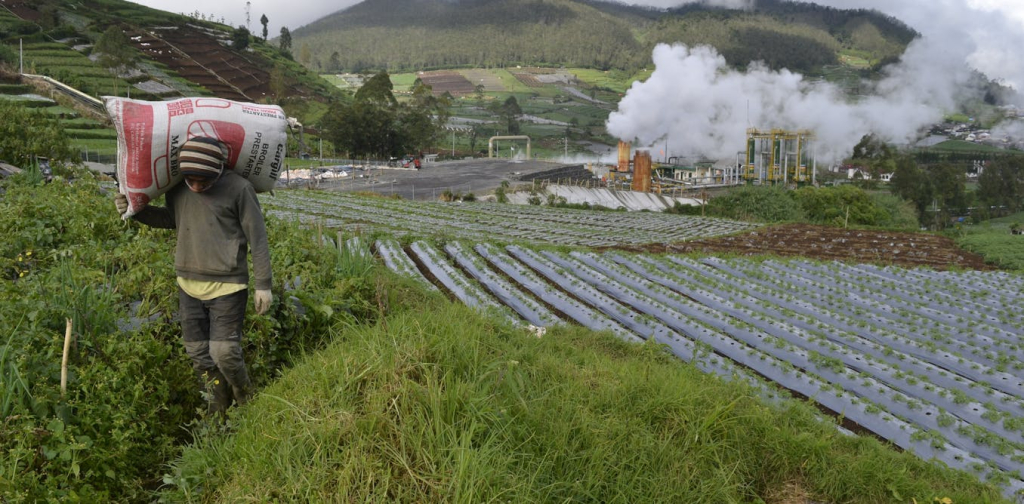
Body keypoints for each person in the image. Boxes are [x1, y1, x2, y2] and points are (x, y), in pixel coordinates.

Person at [114, 136, 273, 417]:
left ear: (219, 172)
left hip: (228, 285)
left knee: (224, 352)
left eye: (204, 181)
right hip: (187, 284)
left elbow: (257, 238)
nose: (197, 186)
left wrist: (264, 285)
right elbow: (171, 220)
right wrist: (135, 211)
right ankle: (218, 406)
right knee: (198, 354)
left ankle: (245, 395)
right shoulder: (177, 189)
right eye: (192, 180)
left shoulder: (240, 189)